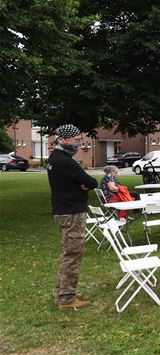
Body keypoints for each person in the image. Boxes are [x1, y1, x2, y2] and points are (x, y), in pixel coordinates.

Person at [47, 124, 98, 310]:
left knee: (68, 253)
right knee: (73, 253)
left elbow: (85, 183)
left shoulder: (54, 158)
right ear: (64, 140)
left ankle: (62, 293)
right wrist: (83, 185)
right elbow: (91, 182)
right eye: (76, 140)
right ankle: (67, 299)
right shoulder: (65, 161)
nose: (79, 143)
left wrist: (82, 185)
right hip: (71, 213)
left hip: (62, 211)